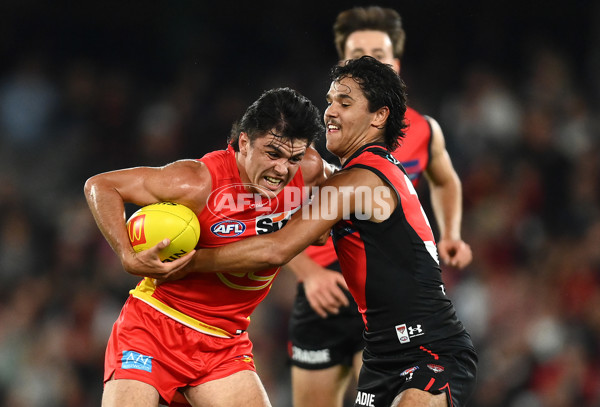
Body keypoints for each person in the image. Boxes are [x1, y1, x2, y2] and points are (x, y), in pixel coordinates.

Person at [162, 56, 478, 407]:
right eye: (329, 101)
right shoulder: (361, 174)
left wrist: (187, 263)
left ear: (379, 116)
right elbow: (299, 224)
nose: (329, 112)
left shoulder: (356, 180)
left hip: (428, 347)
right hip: (381, 357)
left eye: (344, 102)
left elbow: (276, 249)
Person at [84, 87, 331, 407]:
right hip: (153, 329)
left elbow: (343, 196)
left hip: (224, 345)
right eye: (272, 153)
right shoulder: (197, 181)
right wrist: (128, 256)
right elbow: (101, 186)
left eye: (293, 158)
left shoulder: (309, 172)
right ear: (244, 142)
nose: (283, 169)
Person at [285, 7, 473, 407]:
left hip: (405, 323)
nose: (330, 110)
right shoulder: (320, 146)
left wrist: (452, 232)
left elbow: (445, 179)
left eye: (379, 53)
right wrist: (309, 271)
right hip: (336, 292)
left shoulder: (399, 144)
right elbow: (296, 222)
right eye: (358, 52)